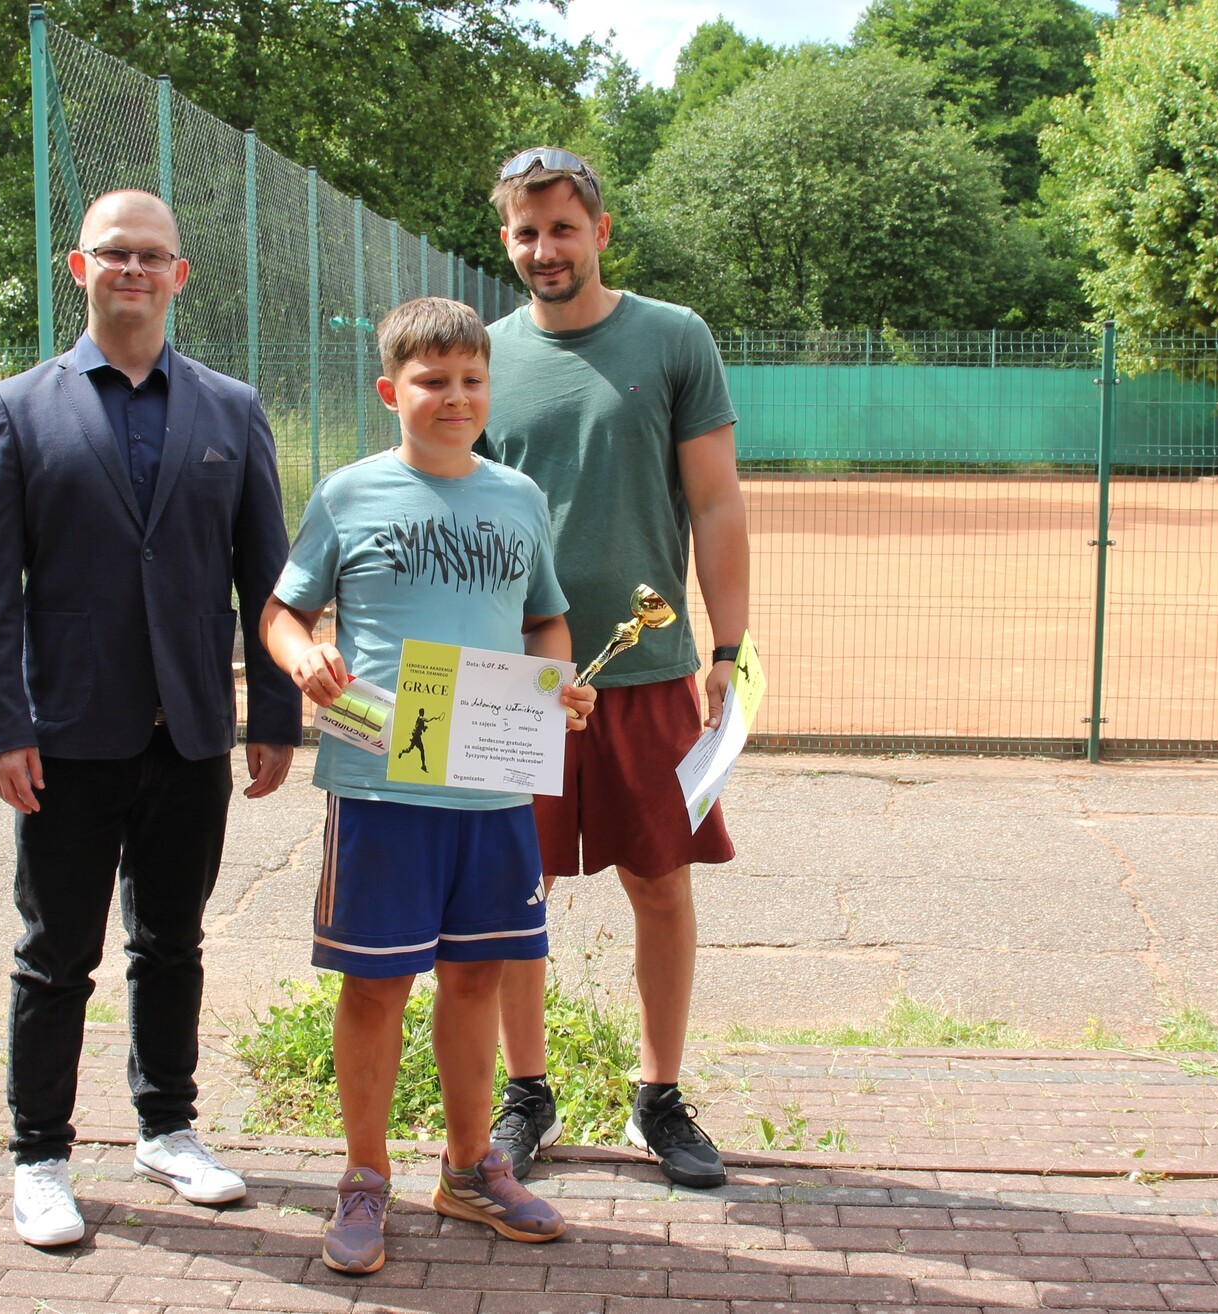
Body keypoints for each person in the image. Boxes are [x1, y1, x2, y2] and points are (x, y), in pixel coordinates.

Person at [0, 189, 300, 1247]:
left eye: (153, 256)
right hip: (66, 738)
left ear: (180, 274)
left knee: (172, 944)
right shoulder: (18, 409)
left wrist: (274, 716)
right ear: (81, 268)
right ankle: (40, 1158)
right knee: (55, 955)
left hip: (189, 732)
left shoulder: (231, 410)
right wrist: (1, 726)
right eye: (115, 254)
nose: (135, 271)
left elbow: (267, 579)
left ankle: (167, 1129)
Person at [259, 296, 597, 1276]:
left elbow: (544, 621)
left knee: (478, 978)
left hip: (491, 787)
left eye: (472, 380)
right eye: (432, 381)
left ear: (491, 387)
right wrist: (303, 656)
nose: (455, 398)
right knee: (375, 986)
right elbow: (282, 613)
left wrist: (557, 684)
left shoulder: (519, 497)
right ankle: (365, 1176)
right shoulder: (349, 494)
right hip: (381, 782)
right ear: (389, 390)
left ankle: (467, 1169)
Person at [479, 147, 750, 1191]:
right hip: (517, 680)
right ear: (507, 241)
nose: (544, 248)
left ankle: (658, 1097)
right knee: (515, 887)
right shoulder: (481, 354)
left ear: (599, 231)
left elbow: (716, 502)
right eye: (526, 231)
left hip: (647, 671)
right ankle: (525, 1094)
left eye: (562, 227)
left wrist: (726, 648)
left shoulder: (674, 337)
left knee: (660, 882)